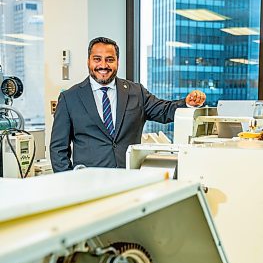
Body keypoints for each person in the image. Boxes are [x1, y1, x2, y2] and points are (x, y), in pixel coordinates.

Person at [50, 36, 206, 172]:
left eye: (109, 59)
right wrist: (68, 181)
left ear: (117, 61)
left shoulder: (136, 92)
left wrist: (187, 103)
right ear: (88, 61)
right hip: (89, 184)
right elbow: (58, 149)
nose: (103, 65)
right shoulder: (69, 98)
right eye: (97, 59)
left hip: (129, 178)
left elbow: (164, 111)